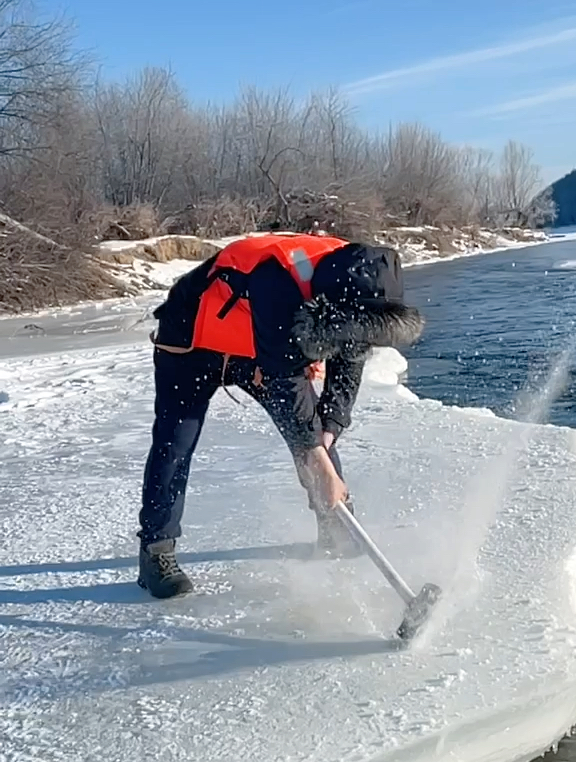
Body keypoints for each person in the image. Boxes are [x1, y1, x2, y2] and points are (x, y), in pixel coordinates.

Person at [137, 232, 425, 598]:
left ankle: (335, 526)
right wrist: (318, 460)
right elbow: (284, 384)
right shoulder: (281, 280)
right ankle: (155, 552)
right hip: (191, 342)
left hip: (254, 346)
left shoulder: (359, 281)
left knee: (317, 434)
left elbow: (349, 360)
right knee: (175, 444)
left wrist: (332, 427)